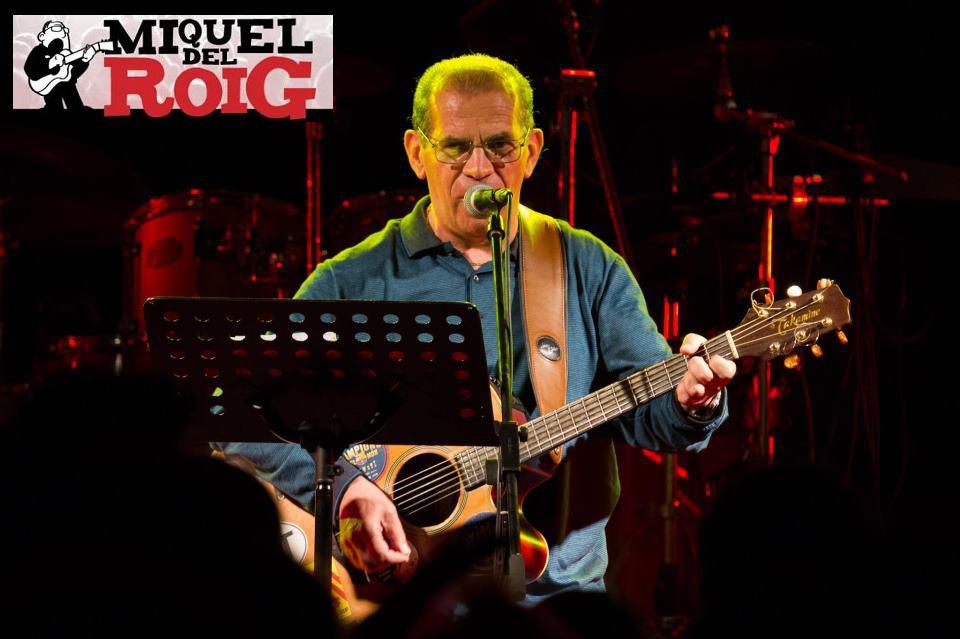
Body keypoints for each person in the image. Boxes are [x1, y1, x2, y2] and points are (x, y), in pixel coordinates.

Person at [217, 53, 735, 603]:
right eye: (456, 147)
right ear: (417, 153)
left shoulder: (586, 267)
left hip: (553, 601)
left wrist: (693, 400)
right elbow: (239, 412)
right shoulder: (351, 279)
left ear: (531, 152)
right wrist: (347, 491)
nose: (480, 167)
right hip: (394, 604)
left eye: (500, 146)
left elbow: (656, 419)